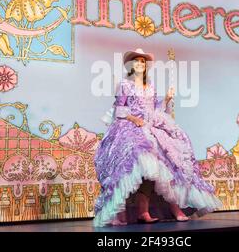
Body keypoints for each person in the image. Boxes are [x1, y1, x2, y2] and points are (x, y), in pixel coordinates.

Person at [93, 48, 222, 227]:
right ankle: (120, 213)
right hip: (130, 126)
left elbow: (156, 110)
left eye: (142, 62)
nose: (140, 64)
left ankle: (156, 211)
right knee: (133, 164)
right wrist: (133, 119)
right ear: (131, 65)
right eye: (136, 61)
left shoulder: (150, 86)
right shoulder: (125, 84)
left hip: (151, 126)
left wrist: (167, 99)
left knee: (165, 164)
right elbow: (119, 109)